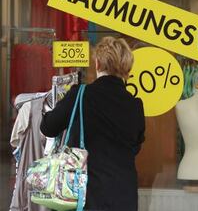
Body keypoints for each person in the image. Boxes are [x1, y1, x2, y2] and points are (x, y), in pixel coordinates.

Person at [40, 37, 145, 211]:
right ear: (127, 67)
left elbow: (48, 128)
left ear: (97, 64)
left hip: (84, 193)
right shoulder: (135, 105)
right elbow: (136, 146)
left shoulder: (80, 95)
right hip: (123, 194)